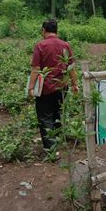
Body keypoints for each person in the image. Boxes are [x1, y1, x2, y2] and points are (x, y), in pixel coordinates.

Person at [28, 19, 79, 152]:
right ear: (57, 31)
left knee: (45, 117)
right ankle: (57, 143)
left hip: (46, 88)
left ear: (43, 30)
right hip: (62, 87)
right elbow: (71, 67)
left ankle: (51, 150)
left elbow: (36, 68)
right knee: (58, 114)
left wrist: (31, 87)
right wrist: (75, 84)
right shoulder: (65, 45)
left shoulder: (40, 45)